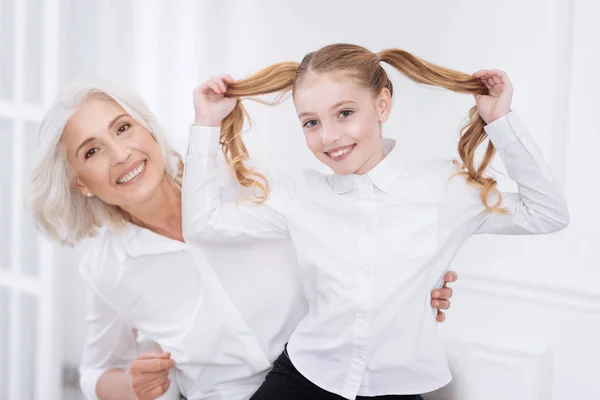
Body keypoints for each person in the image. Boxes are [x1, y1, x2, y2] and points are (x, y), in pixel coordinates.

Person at [26, 79, 458, 400]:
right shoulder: (106, 268)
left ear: (147, 130)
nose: (120, 154)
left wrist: (408, 284)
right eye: (91, 151)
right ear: (81, 184)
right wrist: (131, 385)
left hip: (330, 375)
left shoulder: (244, 177)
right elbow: (94, 371)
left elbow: (349, 236)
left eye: (122, 129)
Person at [182, 43, 570, 400]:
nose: (329, 136)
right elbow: (203, 224)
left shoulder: (445, 187)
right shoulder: (300, 196)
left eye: (345, 113)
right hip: (306, 375)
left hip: (397, 387)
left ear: (383, 105)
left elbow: (547, 213)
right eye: (310, 122)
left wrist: (499, 121)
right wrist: (206, 123)